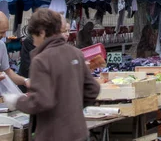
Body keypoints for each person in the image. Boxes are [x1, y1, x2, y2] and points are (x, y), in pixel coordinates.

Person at [3, 8, 100, 141]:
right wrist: (73, 108)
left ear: (42, 33)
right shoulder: (75, 53)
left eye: (34, 36)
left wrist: (17, 101)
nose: (34, 41)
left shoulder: (41, 60)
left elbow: (41, 100)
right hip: (79, 132)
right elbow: (93, 89)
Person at [0, 12, 30, 89]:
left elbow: (8, 72)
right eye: (2, 32)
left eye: (5, 32)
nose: (4, 36)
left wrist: (25, 81)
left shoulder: (1, 45)